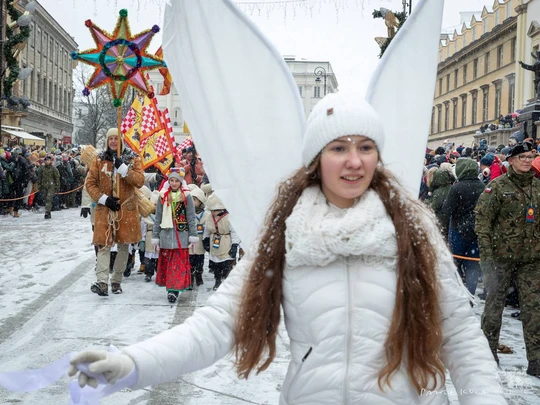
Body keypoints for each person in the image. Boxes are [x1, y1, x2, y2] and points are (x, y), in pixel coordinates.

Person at [69, 94, 506, 404]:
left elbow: (463, 342)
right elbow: (217, 325)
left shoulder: (414, 231)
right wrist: (131, 364)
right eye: (339, 147)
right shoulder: (286, 233)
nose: (354, 161)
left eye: (365, 147)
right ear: (316, 158)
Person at [475, 141, 540, 377]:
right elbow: (482, 224)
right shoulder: (497, 187)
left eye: (530, 156)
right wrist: (487, 259)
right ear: (510, 160)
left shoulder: (537, 188)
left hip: (531, 261)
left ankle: (536, 360)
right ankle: (488, 353)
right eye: (521, 156)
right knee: (493, 308)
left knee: (535, 310)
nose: (526, 160)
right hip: (500, 259)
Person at [85, 128, 144, 296]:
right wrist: (104, 199)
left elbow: (140, 181)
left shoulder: (133, 159)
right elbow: (90, 184)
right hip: (105, 209)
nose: (113, 142)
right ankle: (102, 282)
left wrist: (125, 170)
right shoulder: (99, 160)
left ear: (121, 141)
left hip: (126, 209)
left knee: (123, 246)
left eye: (116, 139)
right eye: (110, 139)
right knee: (103, 245)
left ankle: (116, 280)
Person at [439, 158, 484, 295]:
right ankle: (470, 294)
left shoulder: (457, 187)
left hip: (458, 230)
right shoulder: (483, 186)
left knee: (454, 263)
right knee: (472, 266)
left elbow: (447, 210)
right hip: (476, 230)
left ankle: (456, 294)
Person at [152, 169, 198, 303]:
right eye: (171, 180)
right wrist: (155, 236)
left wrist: (193, 235)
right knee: (169, 265)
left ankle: (174, 290)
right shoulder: (162, 196)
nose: (173, 183)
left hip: (181, 235)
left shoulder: (186, 196)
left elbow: (191, 217)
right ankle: (170, 287)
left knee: (177, 265)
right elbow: (158, 217)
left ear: (181, 181)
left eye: (176, 180)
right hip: (166, 235)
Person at [203, 193, 241, 291]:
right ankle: (217, 279)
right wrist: (205, 239)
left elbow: (234, 232)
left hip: (225, 242)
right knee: (215, 264)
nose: (212, 213)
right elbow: (207, 229)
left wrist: (234, 244)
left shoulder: (229, 218)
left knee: (225, 262)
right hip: (214, 241)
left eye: (214, 211)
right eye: (211, 210)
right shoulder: (209, 217)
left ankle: (226, 280)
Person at [189, 185, 210, 287]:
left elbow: (208, 227)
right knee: (190, 260)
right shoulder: (188, 213)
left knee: (200, 259)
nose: (192, 202)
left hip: (200, 240)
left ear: (200, 201)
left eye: (194, 200)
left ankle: (199, 274)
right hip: (190, 241)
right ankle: (190, 276)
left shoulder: (206, 215)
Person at [37, 155, 60, 219]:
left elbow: (57, 178)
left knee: (48, 199)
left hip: (51, 186)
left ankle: (47, 212)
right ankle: (48, 211)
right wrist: (39, 185)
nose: (47, 161)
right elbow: (39, 177)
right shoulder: (42, 169)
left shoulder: (53, 169)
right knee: (45, 199)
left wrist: (57, 187)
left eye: (48, 160)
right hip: (44, 186)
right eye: (46, 160)